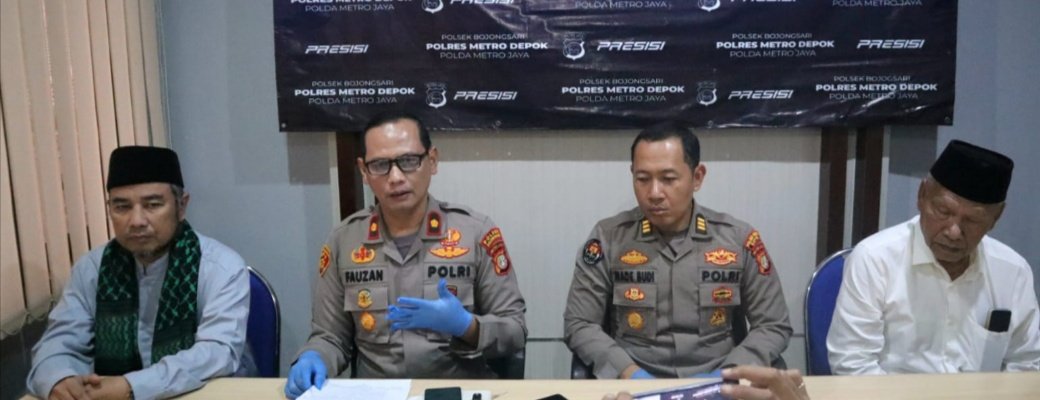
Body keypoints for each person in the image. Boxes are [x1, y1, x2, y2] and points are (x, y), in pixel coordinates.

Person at [285, 111, 527, 398]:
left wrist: (467, 326)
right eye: (380, 165)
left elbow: (514, 331)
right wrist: (313, 356)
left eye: (409, 161)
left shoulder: (476, 233)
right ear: (364, 171)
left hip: (455, 392)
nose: (396, 177)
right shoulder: (343, 241)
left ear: (432, 161)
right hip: (376, 394)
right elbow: (329, 336)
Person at [565, 121, 792, 379]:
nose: (654, 193)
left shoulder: (738, 240)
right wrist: (628, 372)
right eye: (642, 179)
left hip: (721, 383)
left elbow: (773, 325)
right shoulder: (608, 239)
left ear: (697, 177)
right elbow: (580, 324)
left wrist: (729, 374)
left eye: (668, 179)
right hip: (634, 385)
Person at [26, 146, 250, 400]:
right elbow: (59, 342)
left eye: (153, 205)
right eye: (122, 207)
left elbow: (216, 352)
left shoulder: (220, 268)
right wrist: (60, 378)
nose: (136, 221)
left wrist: (131, 386)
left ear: (181, 206)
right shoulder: (92, 269)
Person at [828, 140, 1040, 374]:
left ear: (995, 218)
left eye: (972, 220)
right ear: (922, 196)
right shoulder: (875, 259)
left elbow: (1027, 363)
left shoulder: (1013, 271)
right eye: (943, 212)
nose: (954, 232)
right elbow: (853, 364)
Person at [601, 365, 810, 400]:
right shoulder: (606, 255)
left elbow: (771, 324)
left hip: (726, 383)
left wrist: (733, 370)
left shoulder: (744, 253)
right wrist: (627, 370)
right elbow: (585, 324)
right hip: (636, 377)